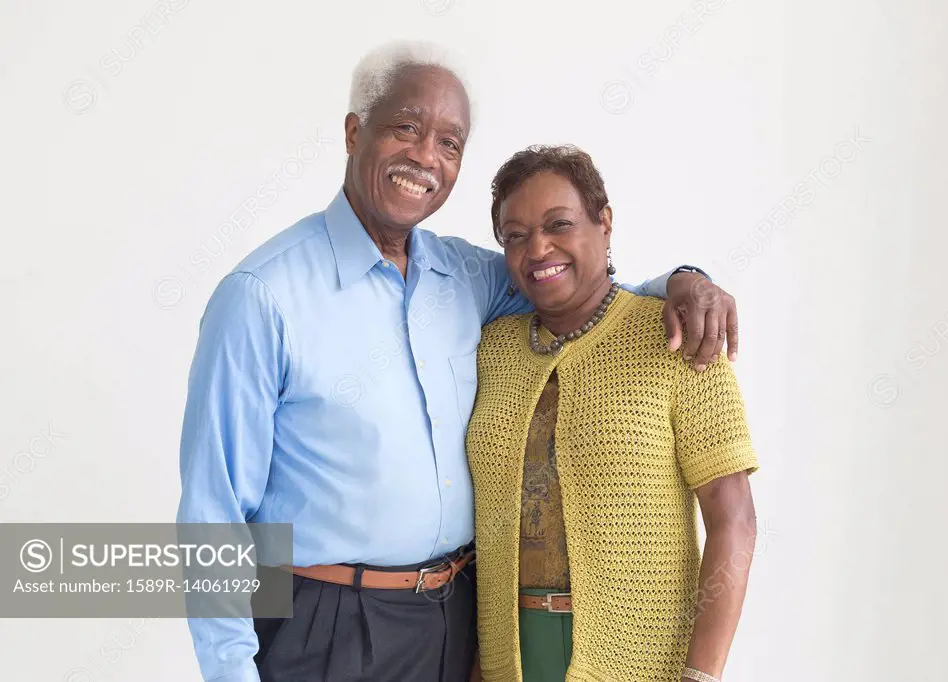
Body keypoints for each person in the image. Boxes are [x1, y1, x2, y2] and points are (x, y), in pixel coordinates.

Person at [176, 41, 742, 682]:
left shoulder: (468, 276)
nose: (426, 157)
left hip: (457, 624)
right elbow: (212, 514)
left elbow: (576, 287)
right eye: (407, 129)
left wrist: (683, 280)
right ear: (354, 132)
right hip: (323, 621)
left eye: (450, 143)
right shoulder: (262, 296)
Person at [467, 144, 760, 682]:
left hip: (639, 657)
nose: (538, 248)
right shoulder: (491, 350)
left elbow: (734, 520)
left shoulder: (677, 338)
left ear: (604, 223)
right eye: (515, 236)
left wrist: (703, 675)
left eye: (559, 223)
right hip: (509, 657)